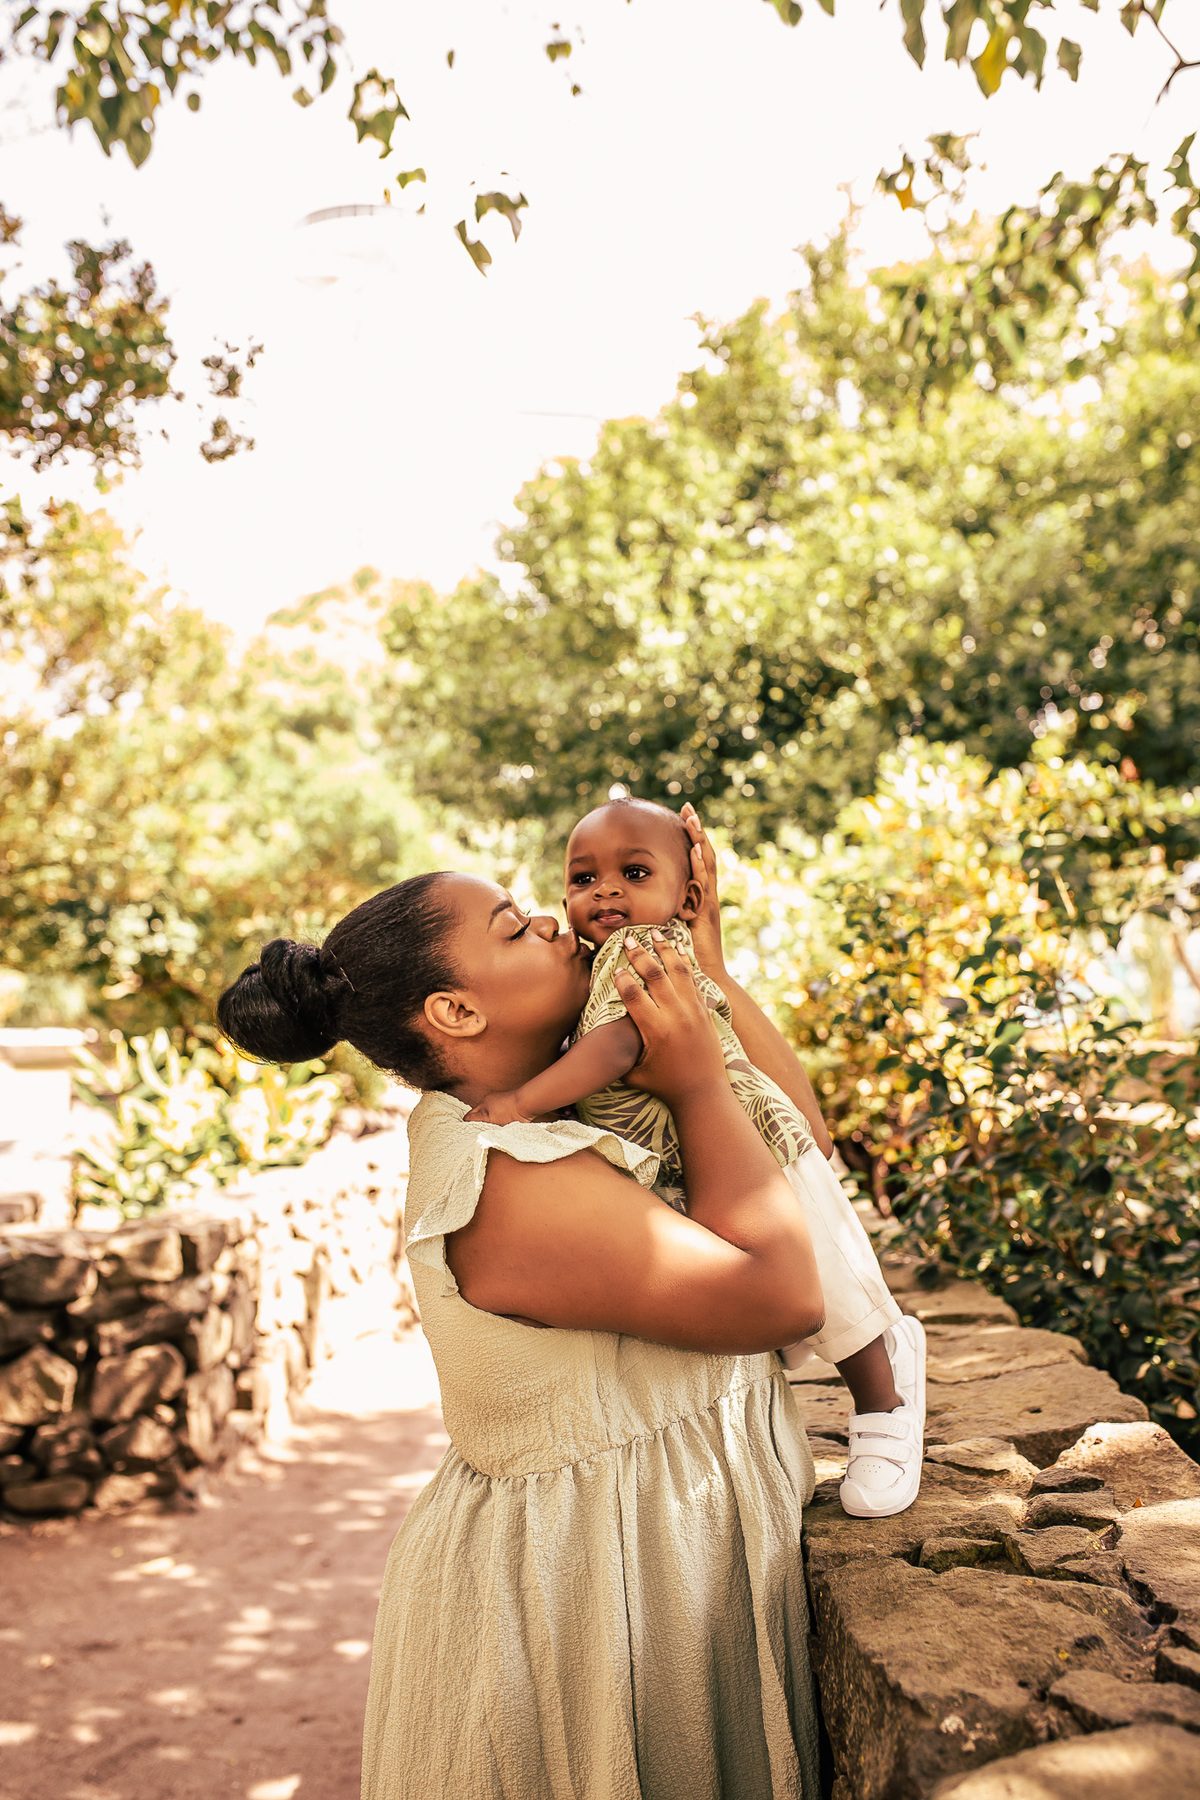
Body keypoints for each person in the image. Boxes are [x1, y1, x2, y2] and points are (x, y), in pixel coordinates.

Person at [217, 871, 826, 1799]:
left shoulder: (558, 1100)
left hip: (633, 1564)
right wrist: (700, 1084)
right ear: (457, 1012)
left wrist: (707, 973)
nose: (550, 920)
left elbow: (801, 1149)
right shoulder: (504, 1178)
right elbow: (782, 1297)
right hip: (598, 1604)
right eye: (513, 927)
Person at [464, 798, 925, 1519]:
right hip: (702, 1149)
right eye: (583, 879)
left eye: (634, 872)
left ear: (686, 898)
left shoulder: (643, 952)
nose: (605, 890)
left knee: (835, 1291)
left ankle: (885, 1393)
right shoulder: (601, 964)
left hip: (759, 1144)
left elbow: (621, 1045)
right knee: (788, 1295)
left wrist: (522, 1101)